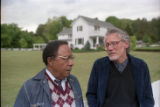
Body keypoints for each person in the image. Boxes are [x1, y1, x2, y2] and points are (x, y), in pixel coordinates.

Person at [86, 29, 154, 107]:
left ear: (126, 44)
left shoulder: (141, 66)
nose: (110, 48)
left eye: (114, 43)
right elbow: (91, 94)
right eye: (107, 45)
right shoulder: (99, 65)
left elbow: (148, 98)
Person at [14, 40, 84, 107]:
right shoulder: (30, 87)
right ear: (50, 61)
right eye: (66, 58)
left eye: (71, 58)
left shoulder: (74, 81)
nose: (71, 63)